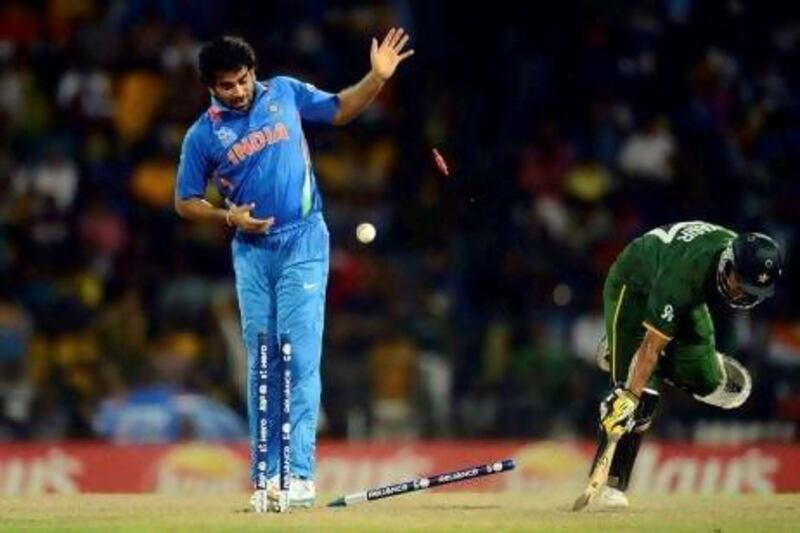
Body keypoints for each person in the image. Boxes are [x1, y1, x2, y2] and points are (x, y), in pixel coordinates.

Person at [173, 30, 414, 511]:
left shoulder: (283, 91)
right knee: (264, 364)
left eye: (243, 80)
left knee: (299, 355)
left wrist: (377, 78)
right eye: (227, 86)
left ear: (253, 72)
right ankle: (266, 479)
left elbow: (342, 108)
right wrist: (227, 217)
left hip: (304, 240)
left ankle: (300, 475)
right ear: (210, 88)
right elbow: (184, 201)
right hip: (251, 250)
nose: (239, 91)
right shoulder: (202, 135)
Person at [589, 221, 782, 508]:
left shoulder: (732, 257)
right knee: (638, 400)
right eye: (740, 283)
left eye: (752, 289)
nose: (743, 293)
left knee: (709, 382)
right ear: (727, 263)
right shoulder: (684, 275)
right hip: (634, 288)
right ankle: (612, 487)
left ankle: (621, 356)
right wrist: (629, 395)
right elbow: (651, 349)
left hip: (682, 294)